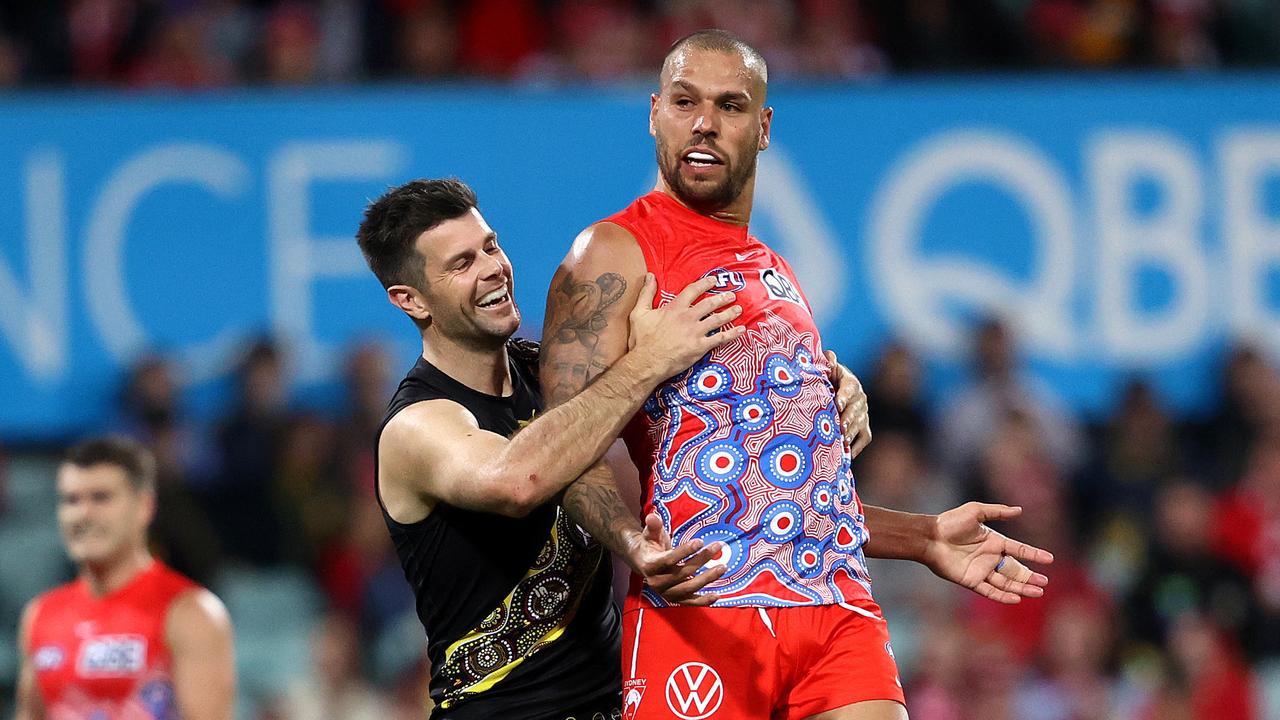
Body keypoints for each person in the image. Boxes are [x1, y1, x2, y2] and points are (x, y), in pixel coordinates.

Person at [537, 29, 1054, 720]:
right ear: (654, 112)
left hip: (837, 607)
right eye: (686, 102)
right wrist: (630, 540)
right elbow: (558, 449)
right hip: (701, 607)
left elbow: (784, 499)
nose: (705, 123)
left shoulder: (778, 272)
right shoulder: (612, 252)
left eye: (731, 105)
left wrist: (922, 537)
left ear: (764, 126)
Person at [14, 436, 236, 720]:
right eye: (71, 500)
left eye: (101, 497)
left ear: (144, 507)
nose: (83, 514)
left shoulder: (191, 613)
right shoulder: (40, 615)